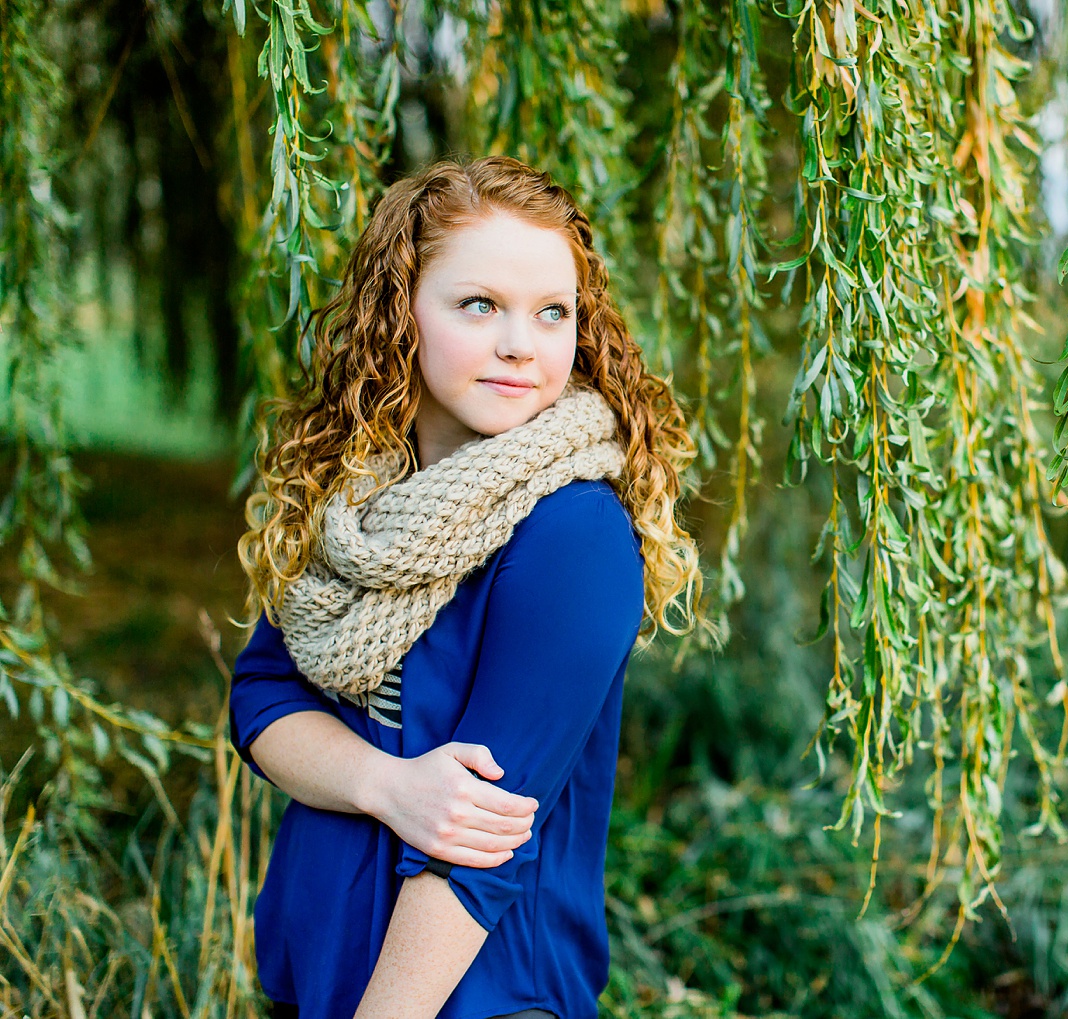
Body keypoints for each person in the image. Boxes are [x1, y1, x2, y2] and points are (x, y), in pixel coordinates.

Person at [228, 155, 708, 1019]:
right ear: (399, 313)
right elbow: (262, 695)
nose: (522, 343)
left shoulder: (574, 533)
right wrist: (385, 783)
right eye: (480, 305)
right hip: (322, 979)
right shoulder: (358, 504)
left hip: (466, 999)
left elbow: (479, 842)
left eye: (551, 312)